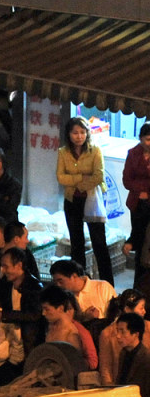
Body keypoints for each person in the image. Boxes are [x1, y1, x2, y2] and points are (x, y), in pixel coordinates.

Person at [56, 115, 114, 285]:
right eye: (75, 133)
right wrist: (81, 178)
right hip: (72, 200)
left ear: (87, 133)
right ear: (69, 134)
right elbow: (60, 177)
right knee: (76, 244)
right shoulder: (63, 152)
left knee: (99, 243)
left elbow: (98, 176)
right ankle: (79, 282)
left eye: (82, 132)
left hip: (93, 200)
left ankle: (108, 284)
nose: (79, 136)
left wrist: (78, 184)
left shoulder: (95, 150)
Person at [99, 289, 150, 386]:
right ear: (127, 309)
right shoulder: (107, 334)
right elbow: (106, 368)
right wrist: (110, 389)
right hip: (120, 388)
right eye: (141, 308)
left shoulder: (148, 327)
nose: (144, 311)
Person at [122, 123, 150, 286]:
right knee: (139, 242)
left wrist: (146, 191)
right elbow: (127, 180)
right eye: (147, 139)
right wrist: (142, 190)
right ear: (140, 138)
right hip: (137, 203)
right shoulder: (133, 153)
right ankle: (139, 286)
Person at [50, 259, 117, 321]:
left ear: (74, 276)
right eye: (55, 282)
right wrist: (85, 318)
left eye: (60, 281)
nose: (58, 285)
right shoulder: (62, 298)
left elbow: (116, 314)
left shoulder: (102, 287)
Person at [116, 312, 150, 397]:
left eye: (122, 332)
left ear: (136, 334)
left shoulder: (146, 357)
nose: (118, 336)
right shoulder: (123, 353)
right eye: (117, 331)